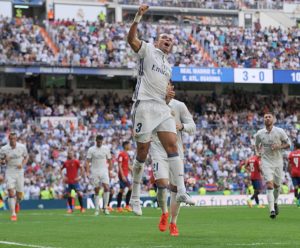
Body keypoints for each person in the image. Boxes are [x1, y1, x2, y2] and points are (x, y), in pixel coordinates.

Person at [127, 4, 194, 216]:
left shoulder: (168, 66)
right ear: (157, 41)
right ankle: (135, 196)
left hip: (161, 107)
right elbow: (131, 40)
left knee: (173, 144)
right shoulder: (147, 50)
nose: (168, 41)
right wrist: (138, 16)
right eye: (164, 38)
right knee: (142, 153)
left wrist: (167, 98)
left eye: (171, 40)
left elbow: (162, 91)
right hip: (144, 106)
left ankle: (181, 190)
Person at [150, 97, 196, 236]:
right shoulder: (151, 104)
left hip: (176, 153)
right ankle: (164, 212)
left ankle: (173, 223)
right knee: (162, 184)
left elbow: (192, 126)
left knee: (176, 190)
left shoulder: (179, 105)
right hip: (158, 150)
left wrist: (182, 126)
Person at [255, 112, 291, 219]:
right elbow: (256, 145)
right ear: (263, 120)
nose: (267, 118)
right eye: (265, 117)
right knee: (269, 185)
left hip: (278, 162)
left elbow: (288, 144)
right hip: (266, 162)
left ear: (273, 119)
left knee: (277, 186)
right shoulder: (259, 133)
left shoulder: (280, 131)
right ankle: (271, 210)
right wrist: (258, 152)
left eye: (269, 117)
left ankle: (275, 202)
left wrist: (279, 146)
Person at [0, 132, 28, 221]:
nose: (12, 140)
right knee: (11, 192)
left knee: (19, 195)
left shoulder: (22, 147)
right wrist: (4, 160)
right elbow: (1, 161)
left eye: (14, 138)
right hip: (9, 171)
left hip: (19, 172)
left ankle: (17, 203)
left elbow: (26, 157)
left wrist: (22, 164)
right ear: (9, 139)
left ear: (16, 139)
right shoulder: (4, 149)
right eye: (11, 139)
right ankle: (13, 214)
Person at [86, 135, 112, 215]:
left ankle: (105, 207)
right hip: (95, 171)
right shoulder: (91, 149)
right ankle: (97, 209)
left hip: (104, 170)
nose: (99, 143)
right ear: (96, 140)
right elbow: (87, 161)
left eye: (101, 142)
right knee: (97, 189)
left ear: (102, 141)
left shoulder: (106, 149)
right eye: (98, 142)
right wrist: (87, 172)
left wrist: (110, 170)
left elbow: (110, 160)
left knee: (107, 188)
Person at [116, 141, 132, 212]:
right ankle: (126, 205)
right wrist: (122, 175)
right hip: (122, 175)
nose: (130, 146)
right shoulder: (121, 154)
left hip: (125, 174)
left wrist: (132, 170)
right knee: (130, 188)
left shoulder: (126, 154)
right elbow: (119, 165)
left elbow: (127, 165)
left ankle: (119, 207)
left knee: (121, 190)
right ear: (125, 146)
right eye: (129, 145)